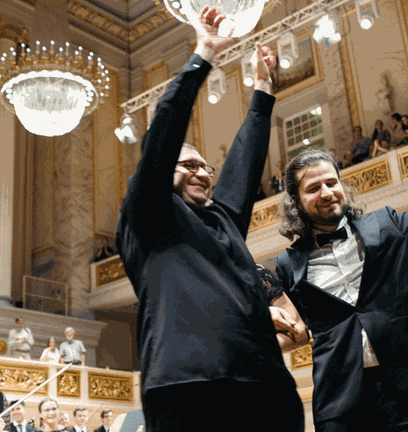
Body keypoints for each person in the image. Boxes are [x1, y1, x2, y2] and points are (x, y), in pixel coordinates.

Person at [115, 7, 303, 432]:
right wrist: (203, 56)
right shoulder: (149, 212)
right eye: (188, 165)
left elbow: (243, 165)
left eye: (205, 166)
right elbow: (162, 135)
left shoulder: (221, 220)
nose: (202, 171)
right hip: (187, 390)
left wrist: (262, 90)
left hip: (266, 388)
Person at [272, 100, 408, 431]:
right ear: (297, 202)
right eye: (313, 188)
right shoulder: (287, 264)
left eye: (332, 182)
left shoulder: (387, 225)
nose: (327, 192)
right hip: (339, 398)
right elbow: (295, 330)